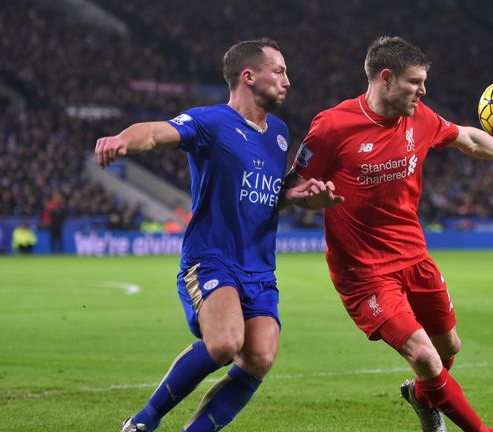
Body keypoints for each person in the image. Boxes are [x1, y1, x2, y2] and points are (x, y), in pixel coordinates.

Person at [288, 36, 493, 432]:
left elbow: (469, 138)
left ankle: (422, 397)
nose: (423, 91)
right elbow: (291, 190)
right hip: (364, 272)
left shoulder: (419, 117)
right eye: (415, 82)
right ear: (385, 78)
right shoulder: (332, 126)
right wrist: (309, 202)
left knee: (448, 348)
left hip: (414, 257)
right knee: (425, 357)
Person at [95, 38, 341, 432]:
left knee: (259, 358)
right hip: (211, 258)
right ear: (248, 76)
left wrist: (297, 198)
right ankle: (143, 422)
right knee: (226, 343)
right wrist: (124, 139)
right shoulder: (211, 122)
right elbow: (158, 132)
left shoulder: (278, 133)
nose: (287, 81)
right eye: (278, 71)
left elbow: (266, 197)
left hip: (260, 270)